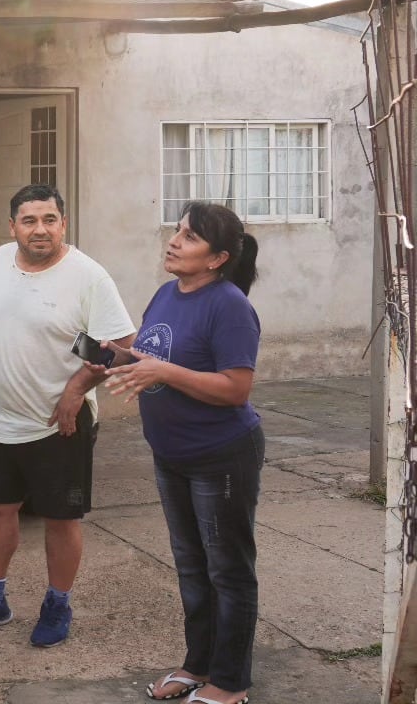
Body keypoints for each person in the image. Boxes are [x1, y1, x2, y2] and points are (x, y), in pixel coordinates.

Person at [0, 183, 136, 647]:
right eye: (29, 221)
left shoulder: (88, 277)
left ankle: (57, 605)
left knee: (59, 519)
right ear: (12, 227)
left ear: (63, 224)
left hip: (61, 423)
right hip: (4, 418)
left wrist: (76, 389)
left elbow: (121, 347)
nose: (40, 230)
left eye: (49, 220)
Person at [103, 201, 262, 704]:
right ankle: (198, 665)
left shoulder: (229, 304)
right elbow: (158, 358)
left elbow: (236, 388)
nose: (174, 241)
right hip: (171, 454)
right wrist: (119, 357)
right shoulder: (166, 294)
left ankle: (230, 682)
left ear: (217, 258)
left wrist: (163, 372)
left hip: (221, 455)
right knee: (191, 565)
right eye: (176, 231)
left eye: (190, 237)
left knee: (228, 570)